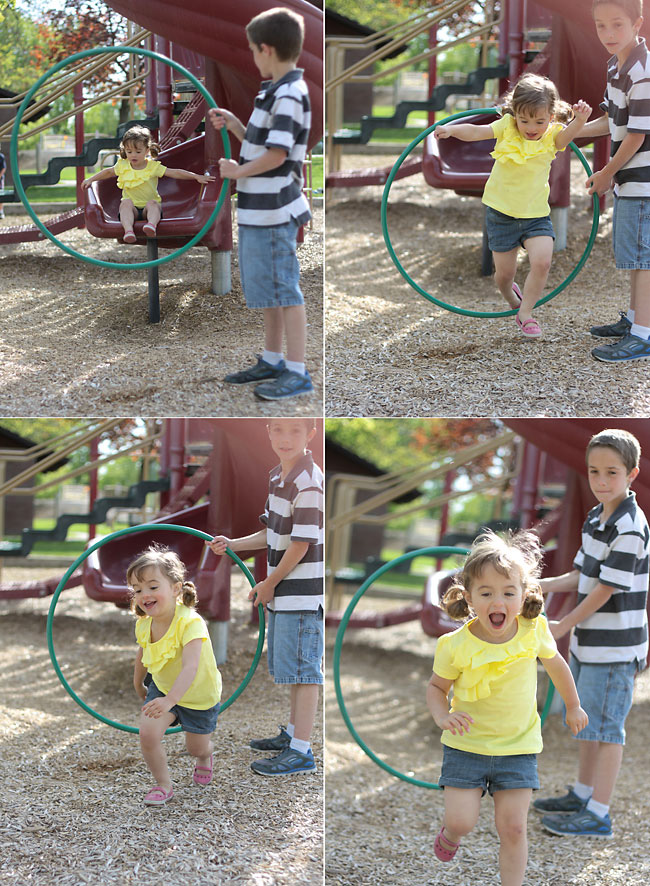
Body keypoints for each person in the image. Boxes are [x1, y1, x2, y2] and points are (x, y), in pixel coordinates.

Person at [427, 530, 588, 886]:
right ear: (469, 598)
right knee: (461, 822)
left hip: (518, 747)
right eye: (486, 593)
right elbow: (437, 688)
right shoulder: (454, 645)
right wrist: (443, 715)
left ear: (524, 594)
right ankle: (450, 835)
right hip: (467, 747)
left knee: (514, 827)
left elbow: (558, 665)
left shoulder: (534, 630)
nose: (497, 602)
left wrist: (573, 706)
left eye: (508, 593)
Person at [534, 428, 649, 838]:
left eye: (611, 473)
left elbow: (606, 588)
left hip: (615, 647)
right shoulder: (596, 517)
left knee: (607, 729)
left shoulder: (630, 527)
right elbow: (582, 575)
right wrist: (537, 586)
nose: (601, 481)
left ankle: (598, 813)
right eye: (594, 472)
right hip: (589, 643)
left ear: (632, 474)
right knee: (585, 722)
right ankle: (582, 794)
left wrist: (566, 623)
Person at [207, 7, 313, 401]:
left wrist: (237, 173)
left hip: (274, 210)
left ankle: (298, 372)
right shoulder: (272, 91)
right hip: (258, 208)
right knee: (269, 290)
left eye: (253, 50)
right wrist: (236, 124)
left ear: (266, 49)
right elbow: (262, 141)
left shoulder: (289, 94)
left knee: (285, 290)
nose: (252, 56)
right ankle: (273, 359)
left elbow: (278, 156)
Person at [207, 418, 323, 775]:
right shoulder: (278, 477)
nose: (285, 438)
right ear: (268, 432)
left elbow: (302, 544)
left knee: (305, 674)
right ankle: (292, 735)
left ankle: (302, 752)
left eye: (295, 431)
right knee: (293, 670)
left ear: (310, 435)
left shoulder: (308, 481)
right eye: (278, 430)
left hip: (301, 594)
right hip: (285, 593)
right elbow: (272, 533)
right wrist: (232, 545)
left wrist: (270, 582)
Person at [435, 74, 591, 338]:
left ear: (551, 117)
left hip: (535, 215)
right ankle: (510, 294)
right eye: (524, 119)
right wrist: (451, 131)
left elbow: (567, 138)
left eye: (539, 121)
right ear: (515, 113)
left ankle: (526, 313)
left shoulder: (552, 136)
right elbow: (477, 131)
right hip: (501, 213)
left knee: (542, 262)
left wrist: (581, 120)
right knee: (505, 274)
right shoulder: (507, 126)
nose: (531, 127)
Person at [577, 0, 650, 362]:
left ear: (638, 23)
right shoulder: (615, 65)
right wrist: (571, 132)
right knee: (635, 257)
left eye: (617, 25)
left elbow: (636, 135)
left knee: (644, 260)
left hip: (644, 179)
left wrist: (606, 173)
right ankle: (636, 321)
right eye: (601, 26)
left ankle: (643, 336)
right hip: (630, 179)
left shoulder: (643, 71)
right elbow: (610, 120)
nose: (608, 34)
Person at [129, 544, 221, 806]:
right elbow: (143, 654)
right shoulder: (144, 624)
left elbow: (191, 667)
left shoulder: (190, 622)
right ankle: (163, 784)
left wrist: (170, 700)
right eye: (137, 590)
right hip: (163, 687)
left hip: (198, 693)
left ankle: (205, 757)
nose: (144, 594)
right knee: (147, 734)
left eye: (152, 587)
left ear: (176, 588)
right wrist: (138, 683)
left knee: (196, 748)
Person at [81, 125, 214, 242]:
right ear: (124, 150)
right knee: (125, 203)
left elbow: (174, 173)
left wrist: (196, 177)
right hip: (132, 209)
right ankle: (128, 231)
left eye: (138, 152)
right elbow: (108, 172)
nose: (133, 155)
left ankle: (151, 225)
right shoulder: (123, 165)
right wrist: (91, 179)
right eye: (129, 152)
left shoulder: (152, 166)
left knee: (153, 204)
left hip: (148, 209)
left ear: (147, 151)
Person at [0, 149, 6, 219]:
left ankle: (1, 211)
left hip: (0, 179)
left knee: (1, 195)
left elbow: (3, 168)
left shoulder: (1, 156)